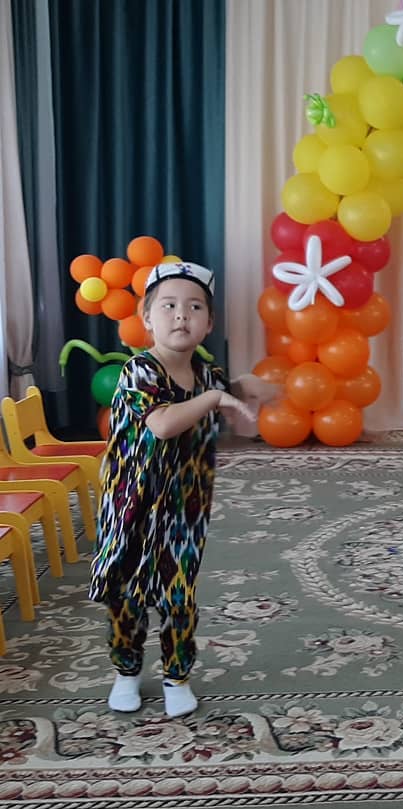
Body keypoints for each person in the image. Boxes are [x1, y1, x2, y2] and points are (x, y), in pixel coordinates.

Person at [89, 262, 280, 718]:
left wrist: (253, 389)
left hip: (183, 508)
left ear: (209, 324)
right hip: (131, 506)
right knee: (127, 595)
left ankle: (177, 675)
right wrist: (214, 398)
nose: (181, 315)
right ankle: (126, 670)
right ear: (147, 318)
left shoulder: (206, 374)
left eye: (195, 308)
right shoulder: (139, 370)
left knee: (179, 595)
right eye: (169, 306)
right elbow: (163, 424)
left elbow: (232, 398)